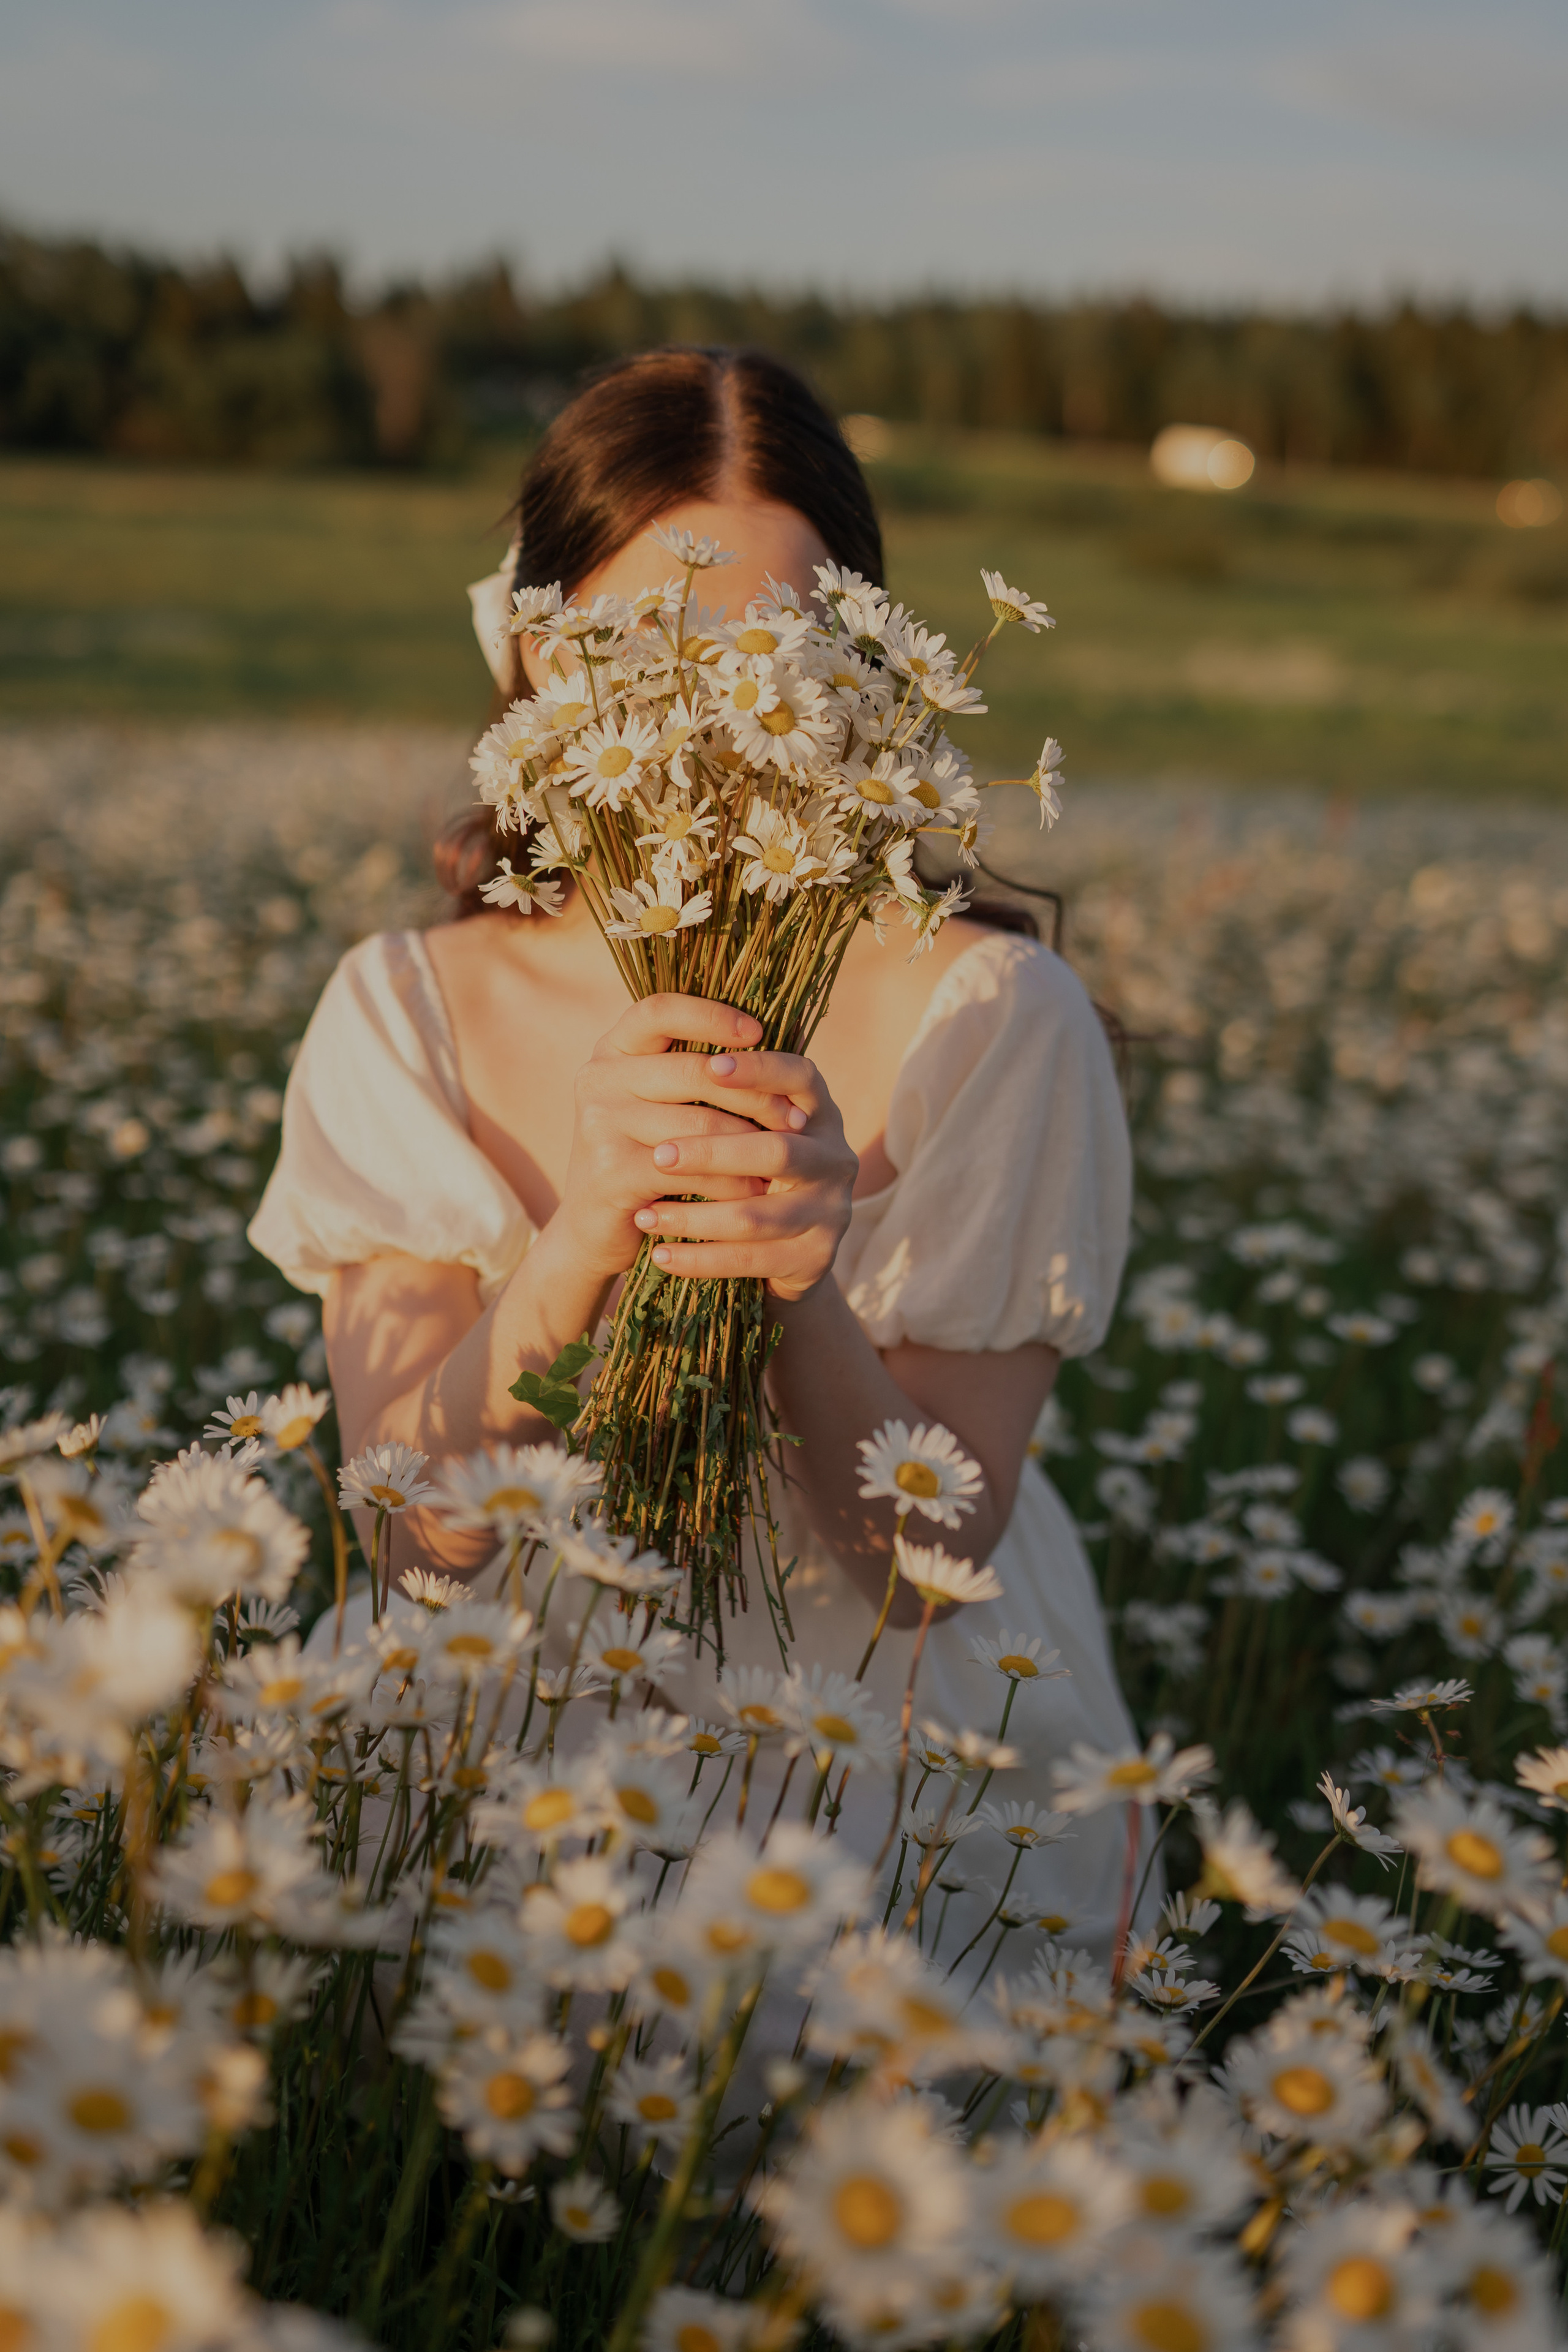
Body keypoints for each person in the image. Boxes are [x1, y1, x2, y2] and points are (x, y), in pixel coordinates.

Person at [248, 344, 1153, 1959]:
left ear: (864, 675)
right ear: (540, 659)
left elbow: (928, 1572)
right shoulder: (401, 1011)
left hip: (881, 1757)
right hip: (501, 1729)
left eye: (777, 656)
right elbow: (413, 1537)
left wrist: (797, 1285)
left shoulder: (995, 1019)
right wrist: (585, 1239)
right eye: (650, 649)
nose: (724, 713)